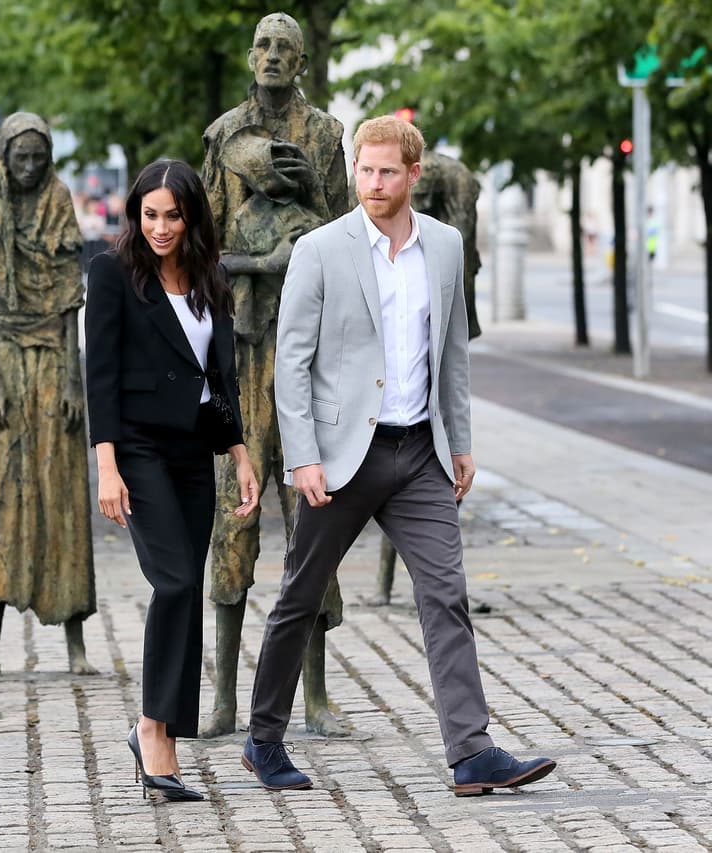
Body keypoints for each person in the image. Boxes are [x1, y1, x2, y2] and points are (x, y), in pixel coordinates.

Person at [242, 115, 556, 796]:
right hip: (341, 455)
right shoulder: (321, 249)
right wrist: (303, 456)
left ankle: (471, 752)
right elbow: (289, 363)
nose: (374, 183)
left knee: (446, 594)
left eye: (388, 171)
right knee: (300, 596)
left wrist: (461, 440)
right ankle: (263, 738)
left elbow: (452, 355)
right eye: (365, 169)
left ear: (414, 174)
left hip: (418, 454)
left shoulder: (444, 247)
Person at [85, 159, 259, 802]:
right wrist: (105, 464)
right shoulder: (112, 273)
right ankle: (153, 732)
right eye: (149, 214)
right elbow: (98, 374)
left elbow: (222, 377)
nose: (160, 227)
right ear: (136, 215)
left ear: (192, 217)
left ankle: (161, 732)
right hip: (136, 448)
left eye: (172, 215)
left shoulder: (211, 276)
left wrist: (240, 453)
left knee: (186, 588)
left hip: (194, 451)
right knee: (177, 581)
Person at [198, 11, 350, 739]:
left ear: (303, 62)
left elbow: (344, 235)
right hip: (243, 346)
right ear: (248, 55)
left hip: (310, 354)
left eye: (286, 48)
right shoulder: (223, 136)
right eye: (262, 45)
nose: (272, 57)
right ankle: (225, 693)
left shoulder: (324, 135)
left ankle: (313, 693)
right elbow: (202, 246)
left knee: (313, 515)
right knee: (236, 509)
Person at [0, 112, 97, 676]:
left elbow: (71, 298)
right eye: (19, 157)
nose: (29, 167)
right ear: (3, 155)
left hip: (52, 361)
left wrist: (74, 379)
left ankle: (74, 642)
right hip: (3, 362)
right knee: (4, 494)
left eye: (37, 157)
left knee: (60, 490)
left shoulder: (59, 200)